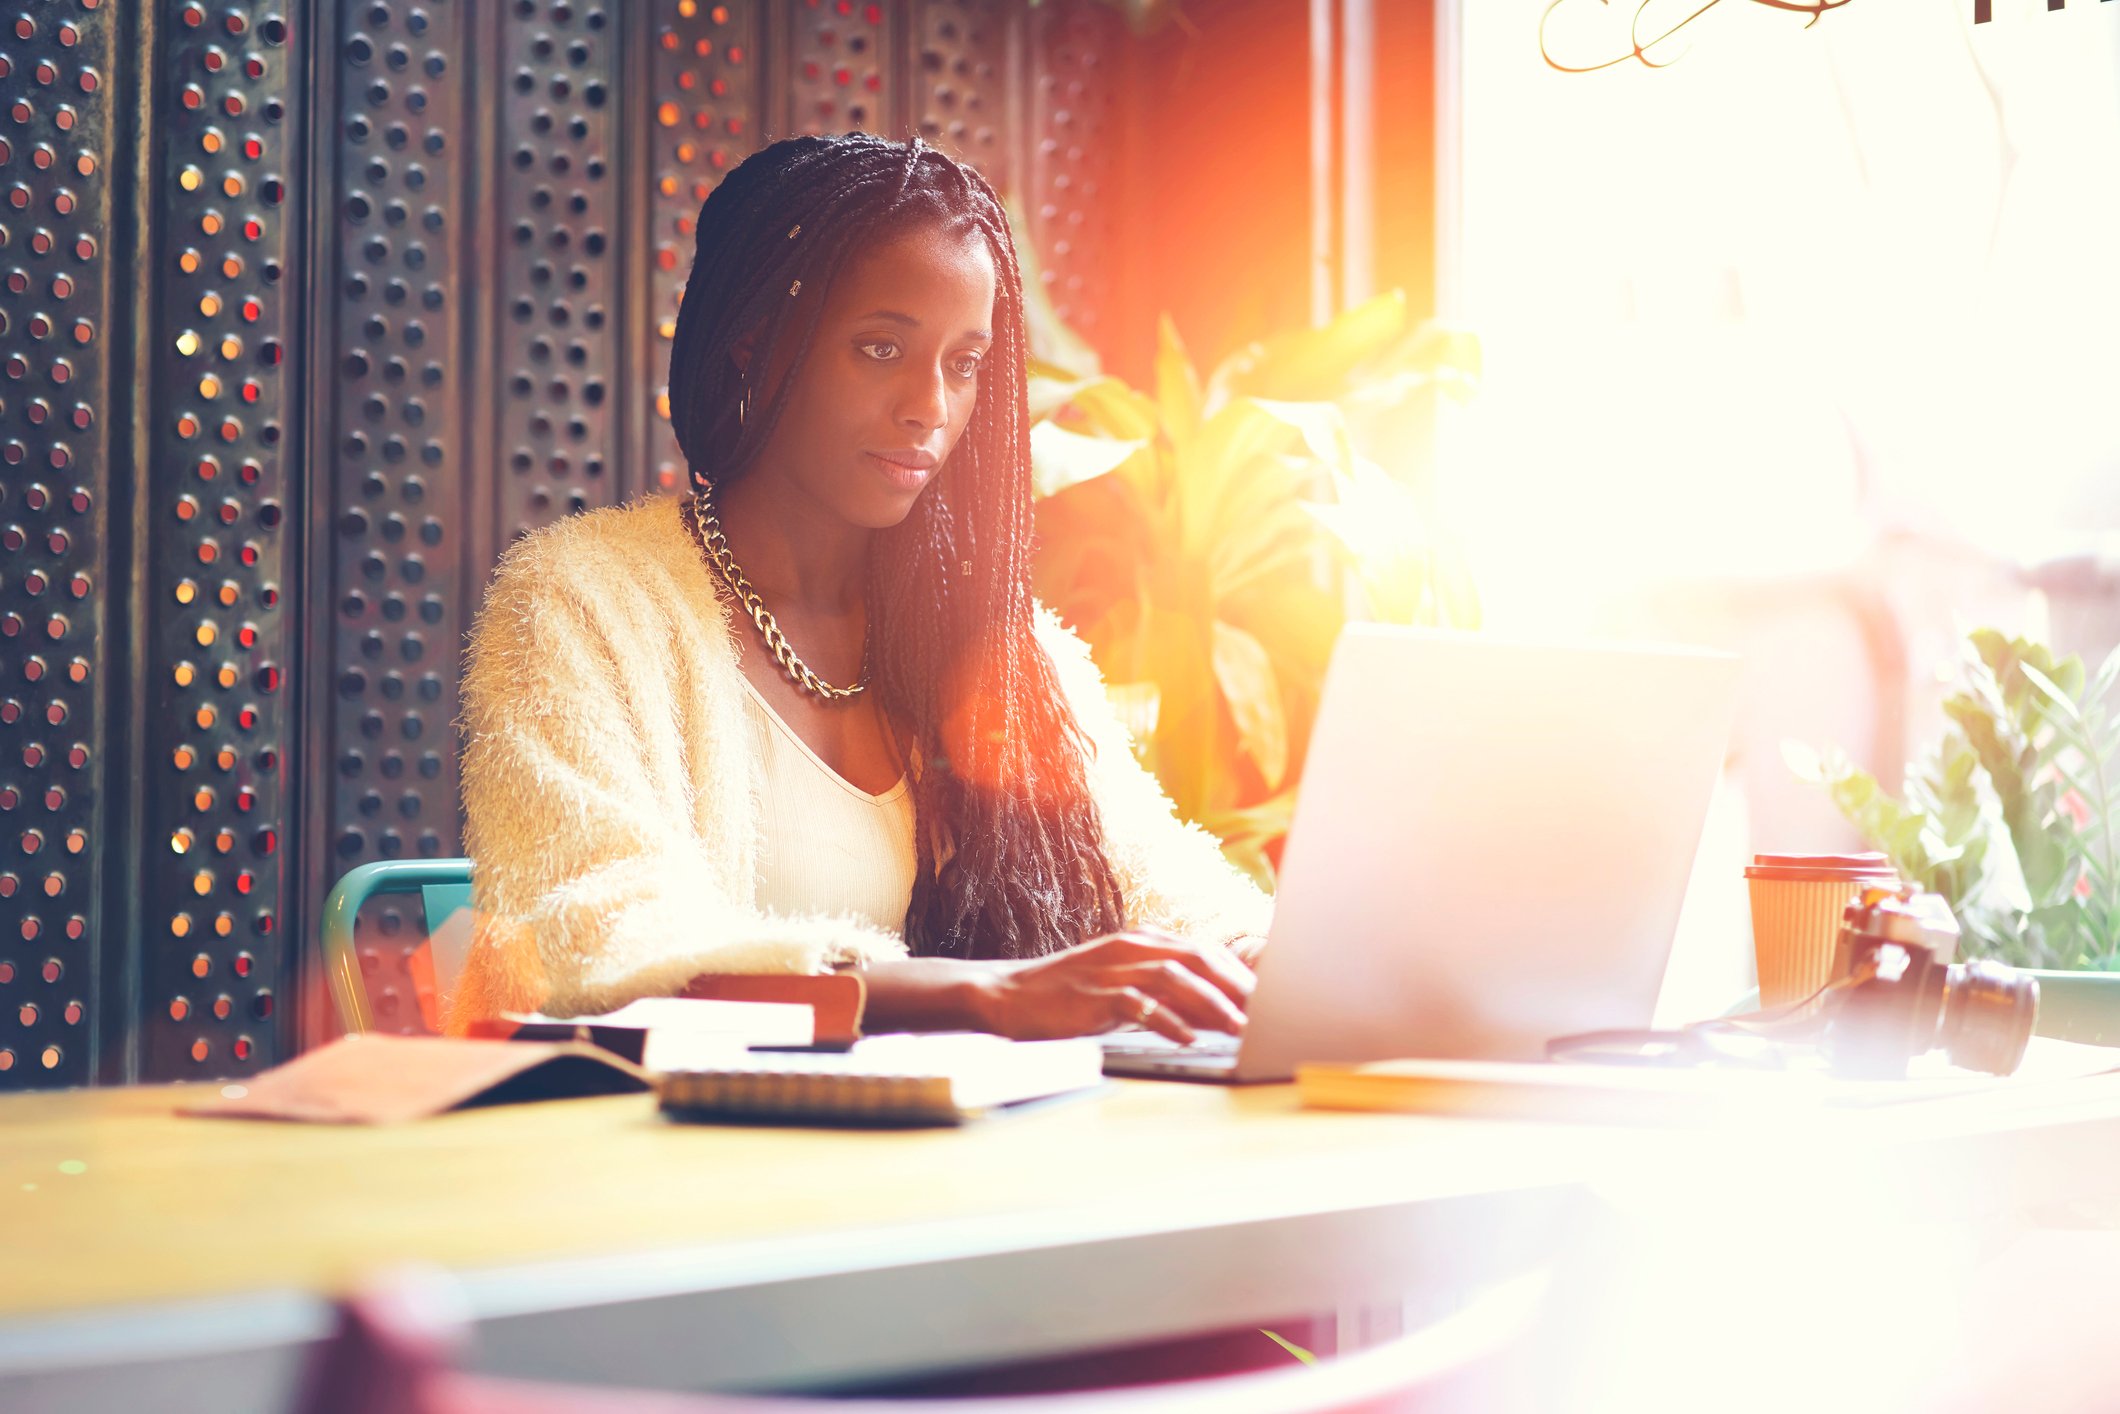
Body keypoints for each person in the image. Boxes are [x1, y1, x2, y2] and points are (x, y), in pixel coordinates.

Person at [447, 132, 1270, 1042]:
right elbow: (601, 951)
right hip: (664, 1154)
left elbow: (1159, 885)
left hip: (956, 1154)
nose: (930, 406)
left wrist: (1268, 956)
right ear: (752, 348)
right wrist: (983, 998)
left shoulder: (999, 643)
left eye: (964, 364)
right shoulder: (578, 604)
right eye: (881, 348)